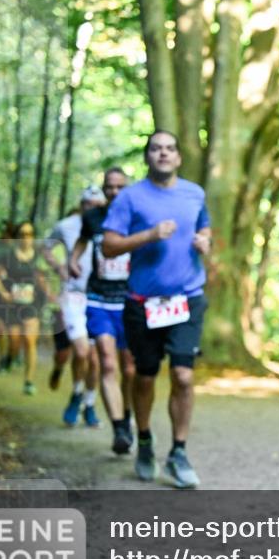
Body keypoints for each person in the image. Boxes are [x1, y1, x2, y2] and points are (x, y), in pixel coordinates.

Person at [102, 130, 211, 488]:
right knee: (144, 376)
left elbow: (205, 229)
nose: (163, 154)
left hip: (187, 299)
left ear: (178, 157)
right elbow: (109, 246)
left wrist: (204, 242)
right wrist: (148, 235)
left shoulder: (195, 194)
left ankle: (178, 452)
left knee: (183, 375)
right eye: (155, 149)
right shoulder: (130, 197)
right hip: (142, 303)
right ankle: (145, 440)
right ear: (148, 157)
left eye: (169, 149)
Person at [70, 167, 137, 456]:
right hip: (98, 298)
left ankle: (131, 414)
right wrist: (73, 260)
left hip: (130, 300)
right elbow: (82, 241)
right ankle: (120, 427)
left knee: (131, 369)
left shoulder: (137, 218)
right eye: (109, 187)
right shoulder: (93, 217)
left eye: (120, 187)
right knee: (107, 364)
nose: (114, 192)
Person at [45, 187, 103, 427]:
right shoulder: (66, 225)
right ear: (81, 205)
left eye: (96, 205)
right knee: (80, 352)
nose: (91, 208)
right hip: (73, 294)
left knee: (96, 359)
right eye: (87, 204)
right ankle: (77, 393)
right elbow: (45, 247)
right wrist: (59, 267)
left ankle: (89, 403)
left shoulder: (111, 224)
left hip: (100, 296)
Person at [0, 222, 56, 394]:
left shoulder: (39, 256)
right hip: (12, 304)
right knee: (14, 341)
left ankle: (29, 381)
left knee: (29, 340)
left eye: (30, 233)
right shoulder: (9, 255)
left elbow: (46, 275)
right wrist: (4, 293)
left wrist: (50, 293)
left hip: (32, 304)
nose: (26, 237)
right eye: (23, 233)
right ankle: (9, 358)